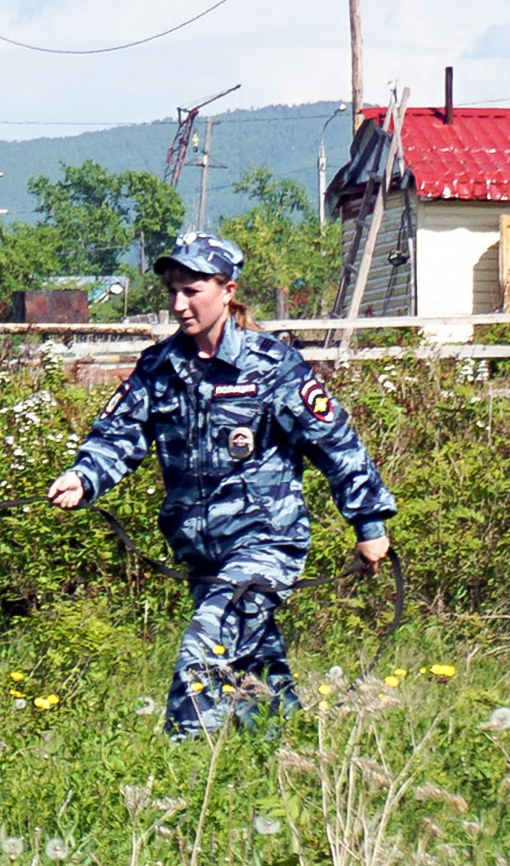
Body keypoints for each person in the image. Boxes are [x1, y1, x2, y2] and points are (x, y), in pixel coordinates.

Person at [46, 233, 395, 737]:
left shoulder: (272, 367)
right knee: (255, 669)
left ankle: (181, 772)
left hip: (264, 544)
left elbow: (336, 444)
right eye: (172, 292)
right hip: (200, 551)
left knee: (204, 648)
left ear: (227, 291)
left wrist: (369, 523)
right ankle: (286, 756)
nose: (179, 304)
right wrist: (83, 477)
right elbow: (118, 435)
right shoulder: (159, 368)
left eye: (192, 291)